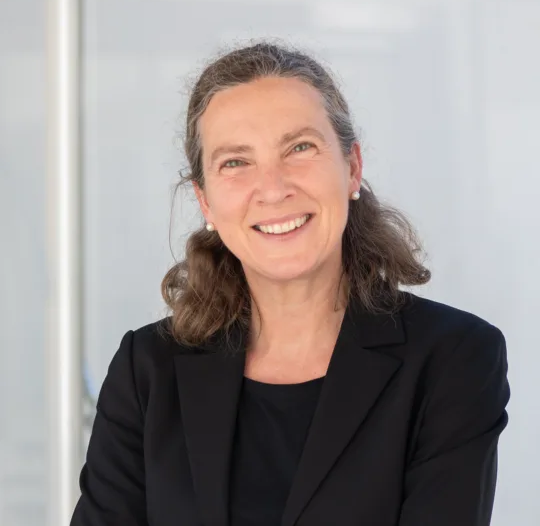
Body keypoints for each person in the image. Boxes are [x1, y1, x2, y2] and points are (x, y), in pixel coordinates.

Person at [70, 41, 510, 526]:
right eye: (235, 162)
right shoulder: (147, 371)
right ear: (206, 201)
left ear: (352, 168)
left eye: (300, 147)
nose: (274, 188)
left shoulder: (453, 359)